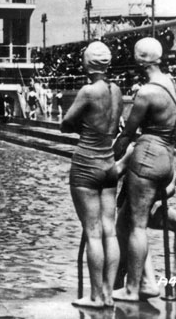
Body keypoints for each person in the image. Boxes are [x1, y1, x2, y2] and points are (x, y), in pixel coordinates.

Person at [112, 37, 176, 301]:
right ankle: (147, 281)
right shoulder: (171, 83)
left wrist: (108, 157)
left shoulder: (146, 92)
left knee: (137, 226)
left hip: (147, 157)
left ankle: (134, 288)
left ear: (140, 58)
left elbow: (128, 133)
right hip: (166, 157)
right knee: (128, 222)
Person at [61, 41, 123, 308]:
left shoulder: (88, 91)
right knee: (110, 231)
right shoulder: (117, 90)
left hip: (87, 163)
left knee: (93, 231)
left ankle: (96, 296)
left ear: (87, 63)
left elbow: (65, 123)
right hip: (109, 163)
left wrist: (80, 127)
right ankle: (109, 293)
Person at [114, 144, 176, 292]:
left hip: (151, 203)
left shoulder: (172, 154)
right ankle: (120, 290)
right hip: (127, 207)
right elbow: (117, 170)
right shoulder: (136, 148)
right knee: (122, 263)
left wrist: (149, 196)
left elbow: (171, 187)